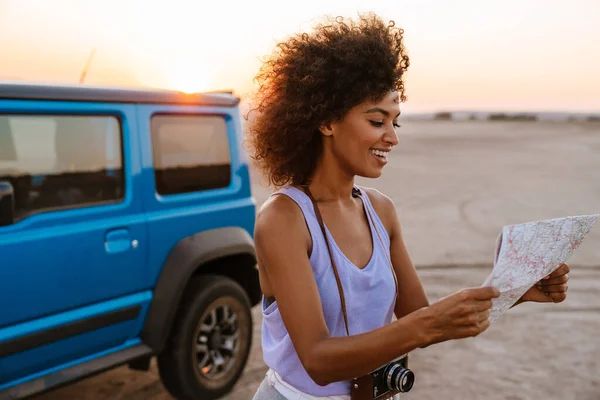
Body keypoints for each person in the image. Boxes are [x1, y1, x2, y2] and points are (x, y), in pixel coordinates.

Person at [246, 13, 570, 400]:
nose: (391, 138)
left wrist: (512, 289)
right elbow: (318, 361)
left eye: (395, 123)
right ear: (327, 121)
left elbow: (419, 315)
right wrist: (426, 325)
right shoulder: (283, 219)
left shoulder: (380, 211)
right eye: (377, 120)